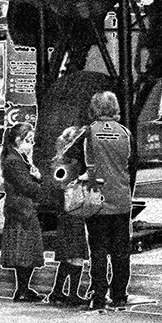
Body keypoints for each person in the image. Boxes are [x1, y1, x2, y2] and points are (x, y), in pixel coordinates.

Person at [83, 91, 134, 311]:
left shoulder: (89, 133)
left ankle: (99, 294)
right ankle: (120, 294)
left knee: (98, 250)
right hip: (121, 199)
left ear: (95, 108)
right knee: (121, 250)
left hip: (97, 200)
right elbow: (132, 164)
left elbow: (81, 163)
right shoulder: (125, 133)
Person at [0, 121, 45, 302]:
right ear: (19, 140)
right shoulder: (14, 160)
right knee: (25, 250)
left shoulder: (17, 158)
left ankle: (23, 288)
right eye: (29, 140)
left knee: (26, 251)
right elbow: (27, 187)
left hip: (20, 208)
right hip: (21, 209)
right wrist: (38, 179)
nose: (31, 144)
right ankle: (23, 289)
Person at [46, 125, 90, 307]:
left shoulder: (57, 162)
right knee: (76, 254)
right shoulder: (71, 164)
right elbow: (65, 185)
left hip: (64, 213)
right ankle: (72, 293)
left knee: (67, 256)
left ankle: (57, 292)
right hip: (73, 211)